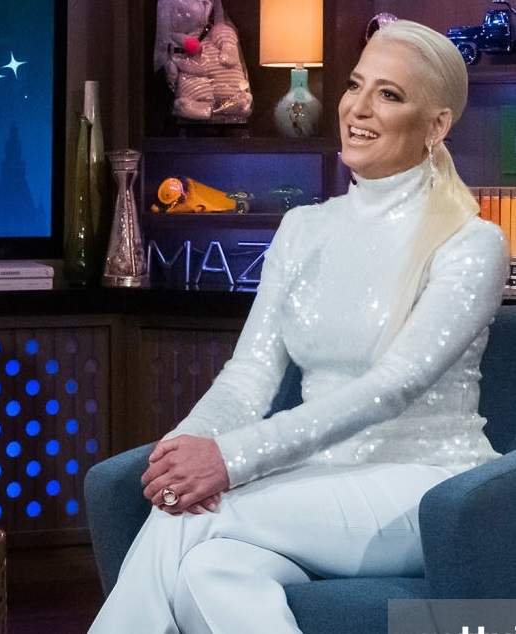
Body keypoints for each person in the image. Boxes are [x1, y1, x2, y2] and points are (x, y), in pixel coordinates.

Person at [88, 20, 509, 633]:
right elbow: (248, 377)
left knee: (194, 517)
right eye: (356, 85)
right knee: (212, 571)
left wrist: (230, 461)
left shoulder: (472, 243)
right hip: (318, 482)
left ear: (437, 125)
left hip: (428, 492)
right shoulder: (303, 229)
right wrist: (186, 449)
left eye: (389, 95)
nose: (359, 109)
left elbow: (390, 386)